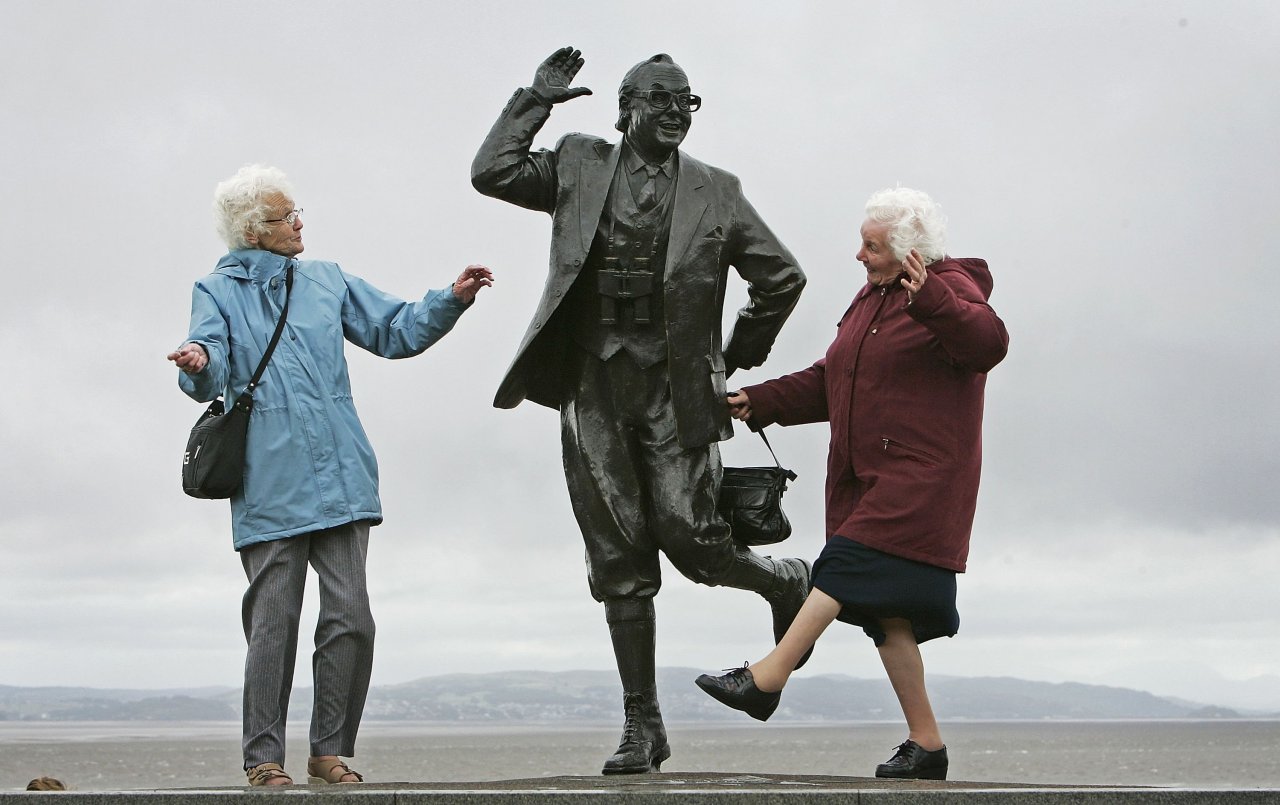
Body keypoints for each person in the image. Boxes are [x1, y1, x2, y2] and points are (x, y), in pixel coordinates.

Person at [471, 47, 810, 774]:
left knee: (695, 539)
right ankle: (641, 723)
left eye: (686, 101)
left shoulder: (717, 191)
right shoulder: (578, 164)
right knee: (617, 557)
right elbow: (491, 171)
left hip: (671, 386)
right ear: (626, 107)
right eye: (661, 100)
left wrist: (733, 356)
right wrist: (535, 99)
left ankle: (783, 580)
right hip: (591, 380)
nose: (676, 113)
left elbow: (782, 276)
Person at [168, 164, 493, 786]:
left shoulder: (326, 279)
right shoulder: (216, 290)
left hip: (342, 475)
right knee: (273, 626)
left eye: (297, 211)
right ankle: (264, 760)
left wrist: (450, 300)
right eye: (283, 216)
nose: (298, 223)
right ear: (252, 232)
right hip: (268, 481)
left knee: (351, 617)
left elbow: (394, 330)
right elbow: (206, 358)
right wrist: (196, 363)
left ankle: (329, 751)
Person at [694, 188, 1009, 781]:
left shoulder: (951, 287)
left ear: (909, 251)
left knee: (839, 566)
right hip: (867, 476)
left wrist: (932, 297)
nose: (858, 255)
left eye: (872, 245)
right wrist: (757, 400)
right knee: (887, 617)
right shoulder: (870, 300)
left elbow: (987, 345)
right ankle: (927, 746)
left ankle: (768, 678)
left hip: (923, 476)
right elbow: (832, 379)